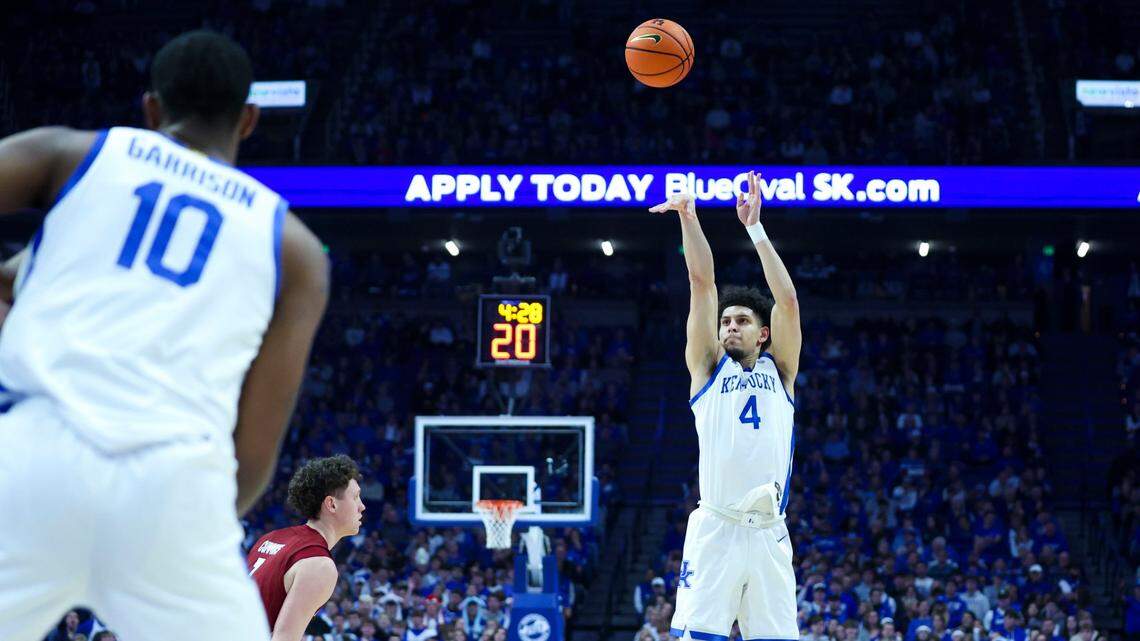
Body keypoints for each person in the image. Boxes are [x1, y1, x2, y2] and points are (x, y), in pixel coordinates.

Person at [0, 30, 329, 641]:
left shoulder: (74, 154)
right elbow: (253, 461)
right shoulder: (296, 249)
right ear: (249, 119)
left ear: (151, 109)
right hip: (176, 483)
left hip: (32, 456)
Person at [650, 171, 802, 641]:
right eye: (726, 322)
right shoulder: (706, 369)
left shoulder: (782, 372)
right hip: (717, 526)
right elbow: (701, 282)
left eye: (742, 321)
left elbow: (789, 300)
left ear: (764, 333)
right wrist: (689, 218)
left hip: (770, 532)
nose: (730, 326)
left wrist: (755, 229)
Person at [247, 455, 366, 640]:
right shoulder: (318, 564)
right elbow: (284, 638)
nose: (362, 506)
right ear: (331, 504)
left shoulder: (271, 538)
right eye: (356, 497)